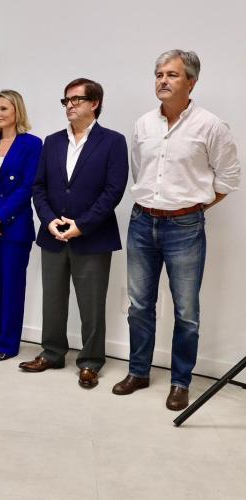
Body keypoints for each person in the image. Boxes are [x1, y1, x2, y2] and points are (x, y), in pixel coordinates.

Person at [112, 50, 241, 410]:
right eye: (159, 74)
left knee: (186, 311)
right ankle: (138, 372)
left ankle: (180, 381)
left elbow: (229, 178)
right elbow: (139, 171)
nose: (163, 81)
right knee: (139, 305)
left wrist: (191, 208)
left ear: (191, 82)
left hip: (185, 227)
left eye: (171, 75)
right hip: (141, 222)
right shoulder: (143, 124)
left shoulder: (211, 126)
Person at [19, 78, 128, 389]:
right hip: (53, 234)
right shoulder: (52, 141)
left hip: (92, 236)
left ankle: (91, 361)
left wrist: (82, 225)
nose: (69, 105)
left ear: (94, 103)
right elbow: (39, 187)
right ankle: (52, 353)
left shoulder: (113, 141)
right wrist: (49, 221)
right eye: (66, 100)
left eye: (76, 100)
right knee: (52, 300)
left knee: (91, 304)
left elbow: (113, 191)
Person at [0, 90, 42, 362]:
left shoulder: (32, 144)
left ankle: (7, 342)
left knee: (12, 286)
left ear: (17, 111)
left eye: (4, 108)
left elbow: (27, 187)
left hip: (15, 227)